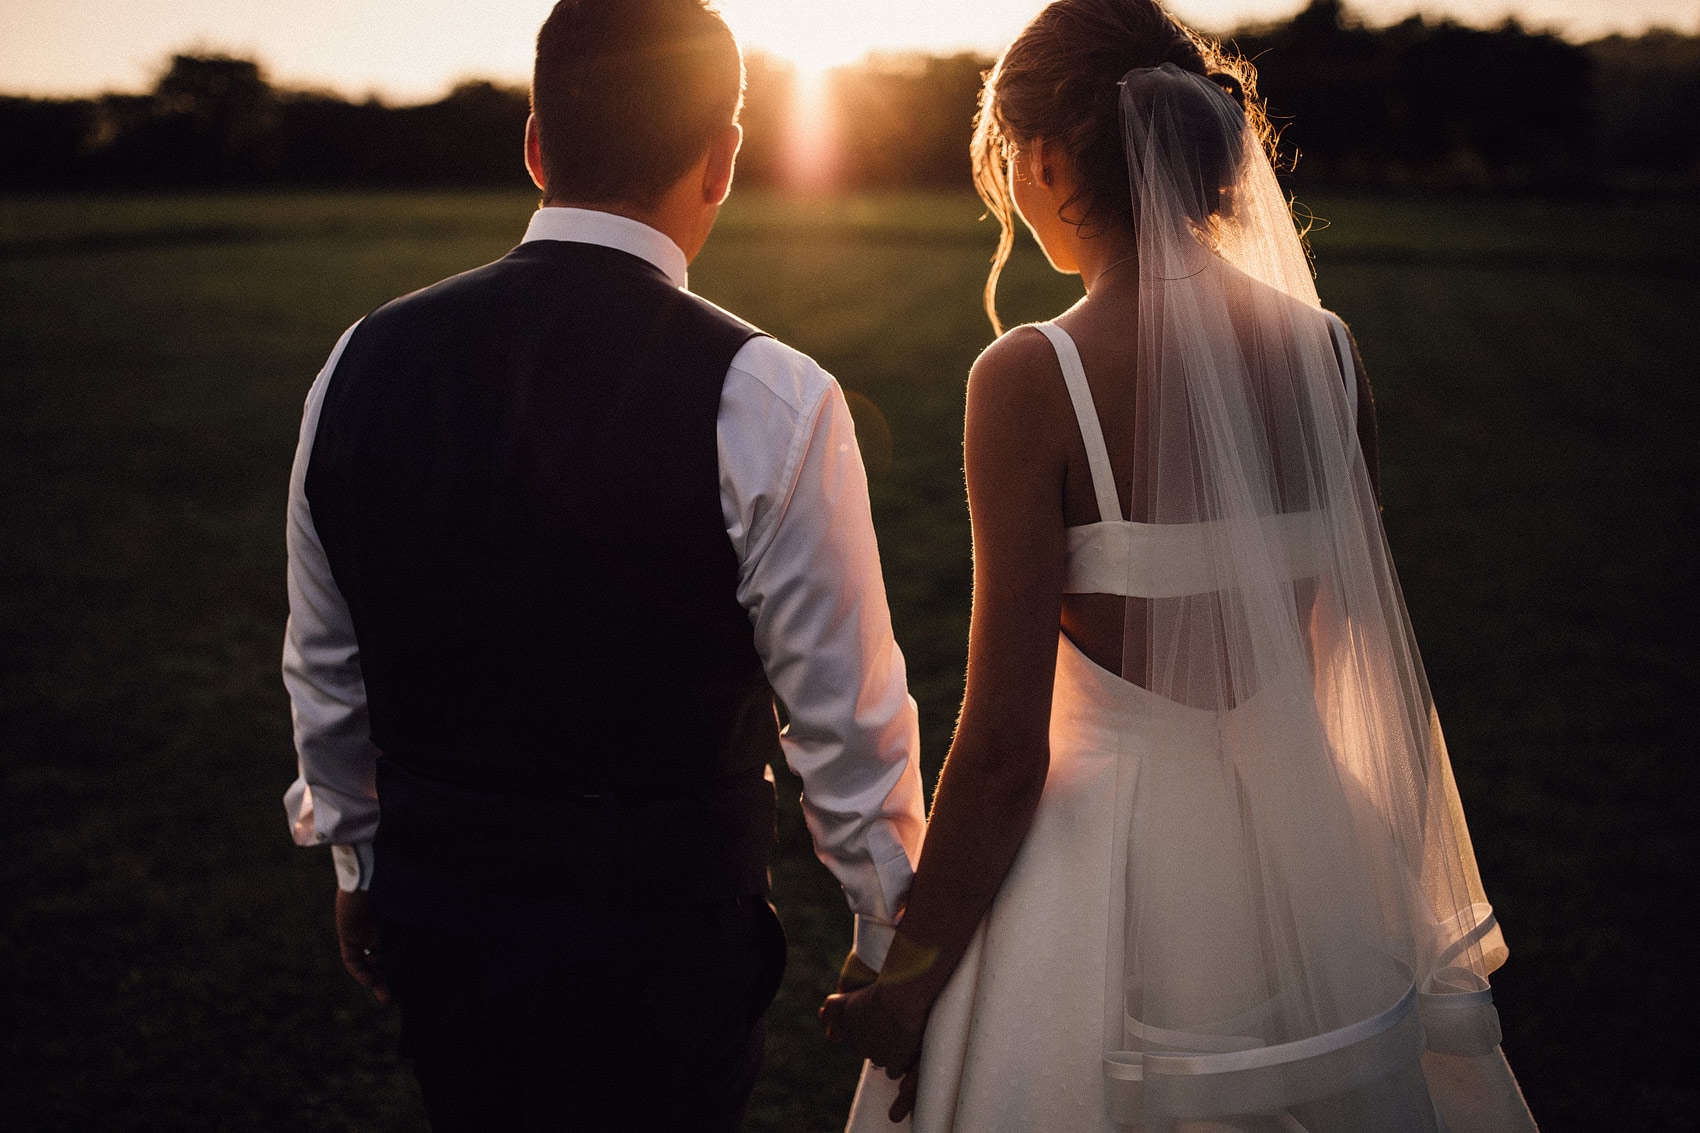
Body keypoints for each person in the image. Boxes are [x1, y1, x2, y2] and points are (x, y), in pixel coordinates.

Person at [822, 1, 1539, 1130]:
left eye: (1007, 159)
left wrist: (902, 985)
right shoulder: (1327, 355)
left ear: (1048, 158)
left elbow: (1005, 745)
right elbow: (1342, 648)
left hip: (1104, 880)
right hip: (1303, 863)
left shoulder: (1030, 376)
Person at [280, 1, 925, 1127]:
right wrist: (887, 934)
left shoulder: (358, 358)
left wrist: (354, 860)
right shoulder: (769, 394)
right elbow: (846, 720)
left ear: (535, 142)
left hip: (442, 914)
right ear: (721, 160)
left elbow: (325, 658)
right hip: (666, 940)